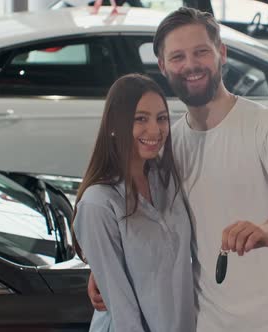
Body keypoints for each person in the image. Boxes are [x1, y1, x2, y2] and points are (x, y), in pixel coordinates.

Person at [89, 7, 268, 332]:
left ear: (221, 53)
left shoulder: (263, 124)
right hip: (207, 322)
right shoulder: (170, 142)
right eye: (177, 57)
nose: (190, 65)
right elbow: (144, 219)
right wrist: (106, 265)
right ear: (163, 66)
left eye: (201, 52)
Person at [72, 73, 196, 332]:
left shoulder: (167, 179)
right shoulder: (98, 204)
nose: (155, 130)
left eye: (161, 118)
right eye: (141, 119)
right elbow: (121, 307)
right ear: (114, 125)